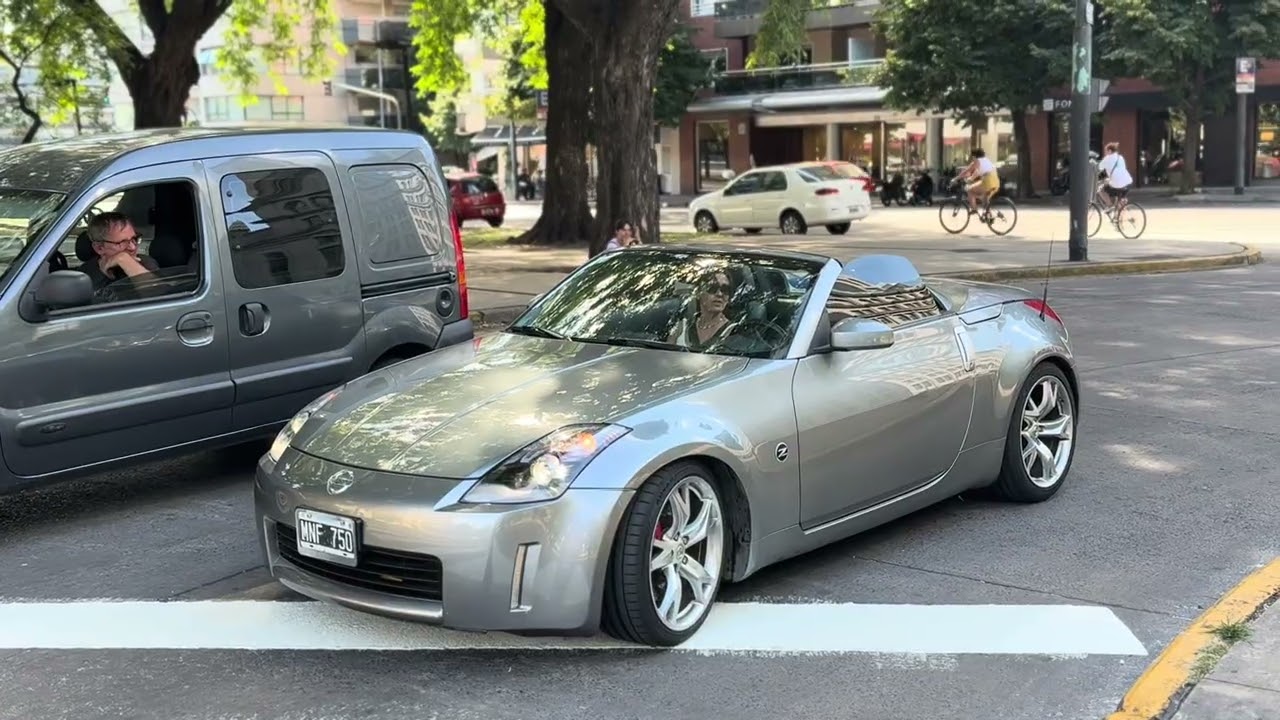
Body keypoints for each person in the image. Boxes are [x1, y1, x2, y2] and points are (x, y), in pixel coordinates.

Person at [667, 268, 738, 350]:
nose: (719, 294)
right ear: (698, 293)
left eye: (725, 290)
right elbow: (664, 357)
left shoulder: (734, 332)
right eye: (712, 288)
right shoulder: (681, 327)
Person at [956, 148, 1000, 214]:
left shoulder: (977, 161)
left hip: (988, 180)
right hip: (995, 181)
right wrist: (969, 178)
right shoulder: (986, 160)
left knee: (969, 190)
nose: (972, 159)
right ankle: (989, 215)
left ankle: (974, 209)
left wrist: (956, 179)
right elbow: (973, 172)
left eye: (972, 157)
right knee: (985, 198)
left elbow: (969, 171)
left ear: (974, 156)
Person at [1097, 141, 1133, 212]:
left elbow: (1099, 167)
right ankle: (1121, 211)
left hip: (1117, 184)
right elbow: (1119, 171)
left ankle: (1110, 205)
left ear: (1110, 151)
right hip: (1127, 182)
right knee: (1119, 197)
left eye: (1106, 151)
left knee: (1100, 190)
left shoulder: (1107, 158)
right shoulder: (1120, 157)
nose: (1105, 153)